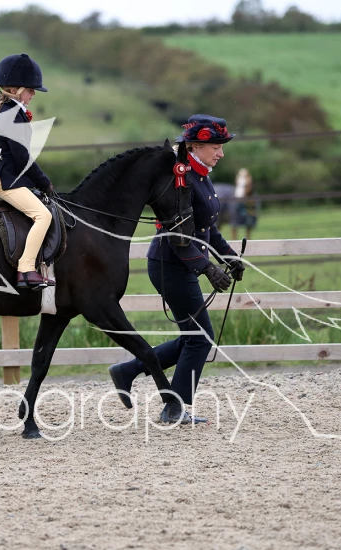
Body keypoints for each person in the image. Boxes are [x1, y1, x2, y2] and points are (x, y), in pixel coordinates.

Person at [108, 115, 245, 424]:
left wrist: (229, 257)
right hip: (170, 264)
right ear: (194, 146)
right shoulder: (181, 179)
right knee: (200, 338)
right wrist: (207, 268)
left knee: (192, 336)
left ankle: (128, 370)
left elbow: (207, 228)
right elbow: (177, 236)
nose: (221, 153)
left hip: (182, 264)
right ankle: (175, 407)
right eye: (216, 147)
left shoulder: (201, 175)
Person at [0, 53, 55, 289]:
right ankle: (26, 270)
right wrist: (44, 182)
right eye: (31, 90)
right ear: (16, 90)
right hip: (7, 181)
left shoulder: (10, 111)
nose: (33, 94)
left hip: (8, 177)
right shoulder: (13, 114)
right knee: (43, 216)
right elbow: (22, 157)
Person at [233, 168, 258, 240]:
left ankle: (248, 236)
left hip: (245, 199)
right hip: (239, 198)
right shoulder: (239, 179)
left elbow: (249, 188)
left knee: (249, 218)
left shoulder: (248, 179)